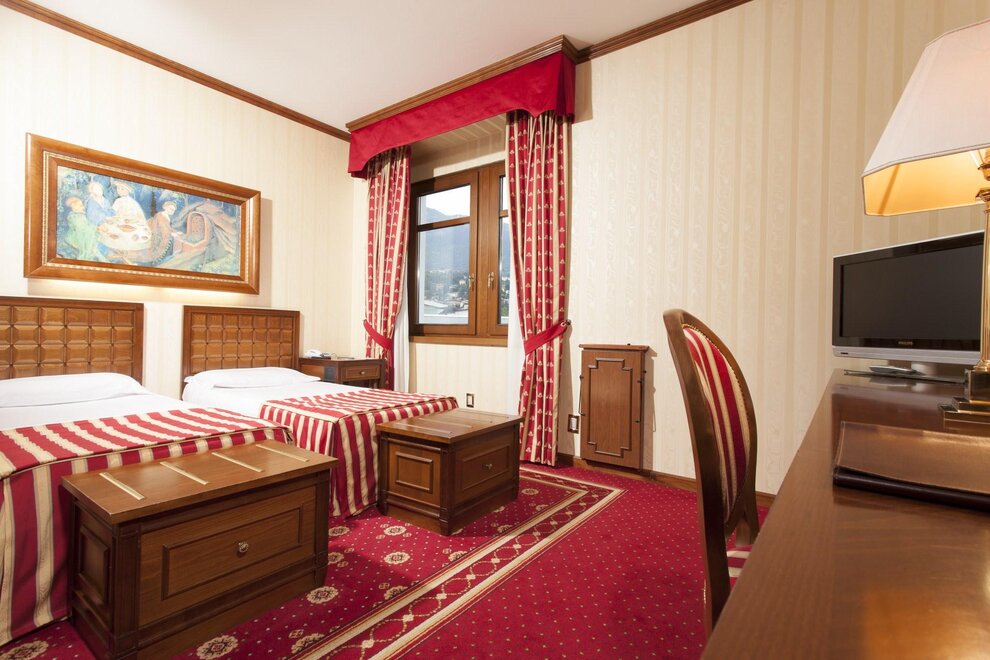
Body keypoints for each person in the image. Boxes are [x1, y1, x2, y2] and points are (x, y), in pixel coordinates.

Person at [61, 196, 104, 261]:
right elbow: (83, 229)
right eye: (81, 206)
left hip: (84, 232)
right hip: (76, 237)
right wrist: (96, 228)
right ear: (74, 208)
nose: (83, 207)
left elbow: (88, 223)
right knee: (93, 243)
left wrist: (97, 225)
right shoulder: (74, 217)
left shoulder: (80, 213)